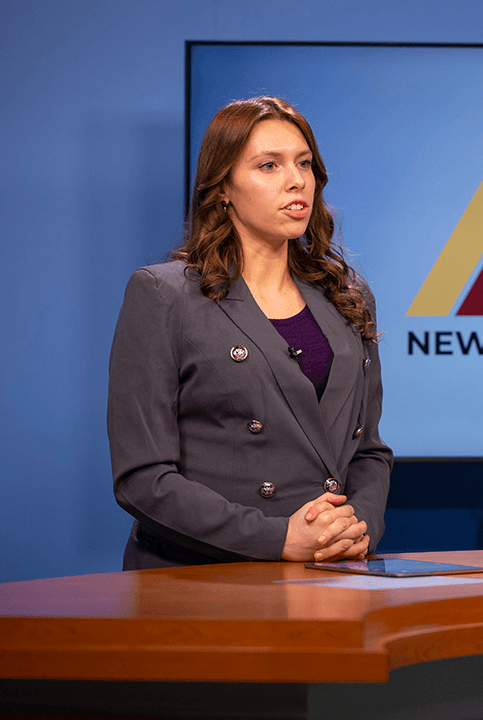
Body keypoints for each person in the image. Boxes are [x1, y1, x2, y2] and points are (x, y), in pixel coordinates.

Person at [108, 97, 392, 569]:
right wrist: (277, 539)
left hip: (327, 571)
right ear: (223, 187)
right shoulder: (163, 295)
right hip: (200, 577)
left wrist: (356, 529)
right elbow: (143, 479)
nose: (296, 180)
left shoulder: (347, 294)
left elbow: (368, 451)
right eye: (269, 165)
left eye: (304, 163)